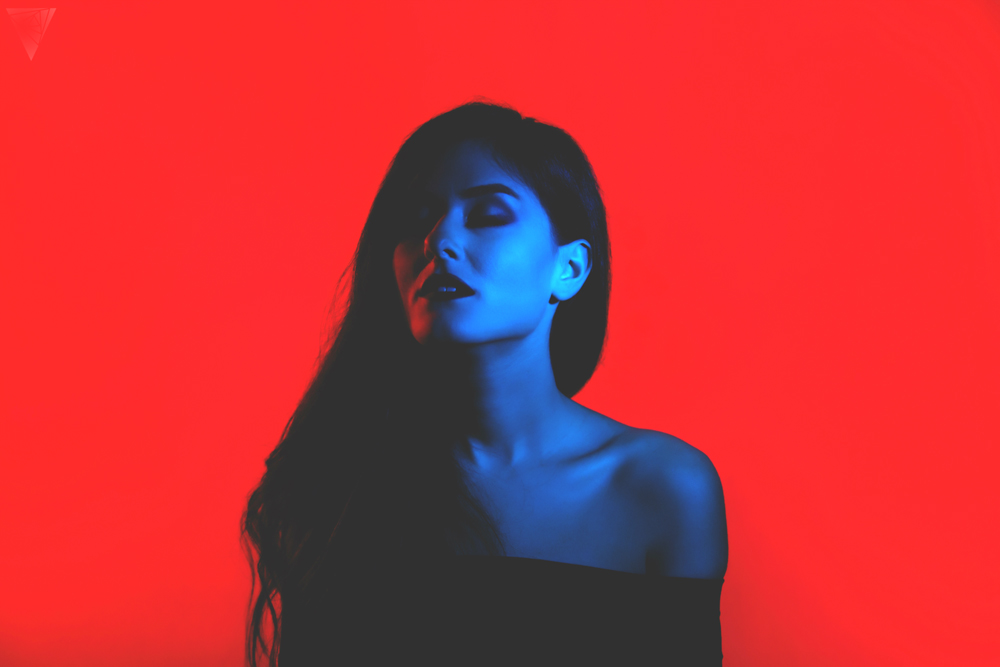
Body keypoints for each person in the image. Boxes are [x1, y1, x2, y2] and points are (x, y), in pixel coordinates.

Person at [243, 102, 728, 666]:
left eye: (489, 215)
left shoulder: (663, 488)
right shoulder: (338, 479)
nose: (437, 240)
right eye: (417, 218)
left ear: (569, 269)